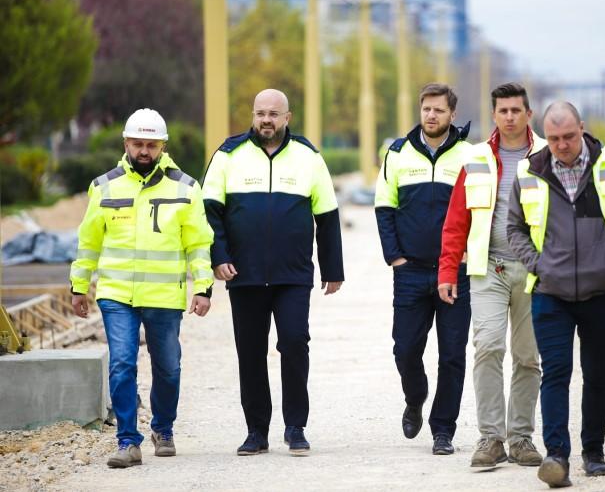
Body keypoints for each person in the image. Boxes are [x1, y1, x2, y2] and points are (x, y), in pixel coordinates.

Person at [507, 101, 605, 488]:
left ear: (582, 129)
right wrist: (538, 265)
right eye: (554, 139)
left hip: (602, 290)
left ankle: (594, 452)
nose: (562, 145)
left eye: (569, 136)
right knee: (556, 372)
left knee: (596, 374)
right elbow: (515, 228)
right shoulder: (529, 171)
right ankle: (557, 456)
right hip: (550, 293)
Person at [202, 88, 344, 457]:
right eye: (260, 113)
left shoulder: (308, 157)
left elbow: (327, 215)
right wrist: (218, 256)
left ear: (287, 118)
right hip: (243, 274)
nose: (266, 120)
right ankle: (256, 431)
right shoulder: (227, 155)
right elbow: (209, 213)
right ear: (253, 116)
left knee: (295, 343)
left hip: (293, 275)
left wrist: (333, 269)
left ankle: (296, 427)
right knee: (250, 353)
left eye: (274, 114)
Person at [70, 108, 214, 469]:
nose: (144, 151)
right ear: (126, 144)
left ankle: (162, 429)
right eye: (138, 144)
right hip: (117, 295)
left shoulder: (186, 188)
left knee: (168, 368)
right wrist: (79, 285)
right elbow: (88, 241)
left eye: (151, 144)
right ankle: (127, 441)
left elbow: (198, 242)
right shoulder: (104, 187)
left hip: (164, 297)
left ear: (163, 146)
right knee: (121, 364)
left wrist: (204, 287)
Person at [437, 83, 546, 468]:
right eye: (503, 111)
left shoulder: (547, 155)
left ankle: (521, 439)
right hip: (489, 269)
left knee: (528, 357)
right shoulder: (477, 157)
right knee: (487, 347)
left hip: (535, 274)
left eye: (517, 110)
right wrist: (448, 271)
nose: (510, 117)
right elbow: (456, 221)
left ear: (528, 114)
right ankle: (490, 439)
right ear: (494, 115)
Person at [374, 83, 473, 455]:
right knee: (405, 349)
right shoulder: (397, 153)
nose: (431, 116)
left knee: (452, 355)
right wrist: (395, 257)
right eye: (426, 109)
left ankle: (443, 429)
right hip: (411, 271)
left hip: (456, 273)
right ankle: (415, 397)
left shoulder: (469, 154)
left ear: (451, 114)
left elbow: (480, 208)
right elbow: (384, 207)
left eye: (439, 110)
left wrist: (467, 255)